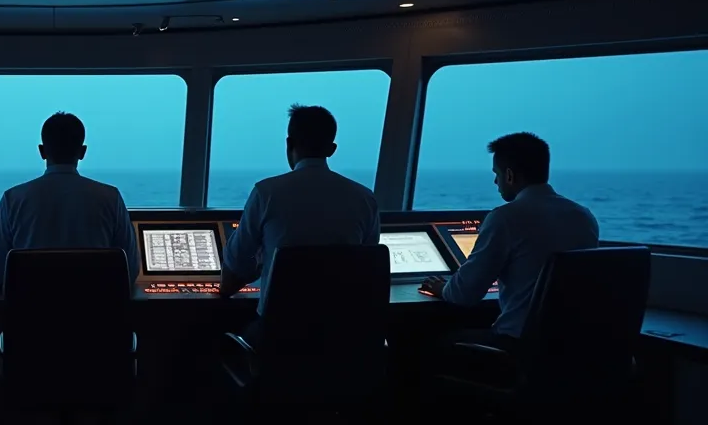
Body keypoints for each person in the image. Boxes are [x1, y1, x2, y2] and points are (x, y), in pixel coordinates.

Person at [420, 132, 599, 350]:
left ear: (510, 175)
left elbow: (463, 294)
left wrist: (441, 288)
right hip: (572, 347)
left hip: (518, 346)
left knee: (427, 341)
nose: (496, 181)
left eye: (497, 173)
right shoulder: (584, 216)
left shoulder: (506, 218)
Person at [221, 105, 381, 344]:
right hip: (342, 339)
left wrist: (233, 284)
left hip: (278, 336)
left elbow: (234, 273)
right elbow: (365, 265)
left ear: (289, 144)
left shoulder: (267, 193)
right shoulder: (365, 198)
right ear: (332, 149)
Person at [0, 112, 140, 289]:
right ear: (82, 152)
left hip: (28, 313)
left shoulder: (13, 199)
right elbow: (130, 271)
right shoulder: (111, 198)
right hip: (96, 313)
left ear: (42, 151)